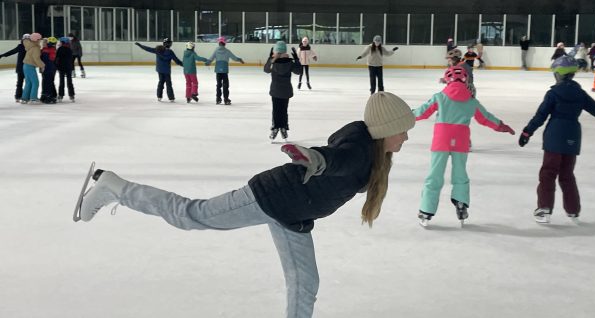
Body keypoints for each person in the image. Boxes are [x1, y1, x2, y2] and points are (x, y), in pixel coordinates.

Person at [73, 92, 416, 318]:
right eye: (403, 130)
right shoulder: (357, 151)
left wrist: (319, 161)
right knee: (191, 214)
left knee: (305, 282)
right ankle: (115, 187)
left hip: (293, 214)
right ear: (386, 129)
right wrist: (315, 159)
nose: (406, 136)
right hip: (272, 198)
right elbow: (334, 158)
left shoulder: (371, 151)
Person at [518, 56, 595, 223]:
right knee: (567, 174)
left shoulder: (553, 93)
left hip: (554, 137)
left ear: (559, 74)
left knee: (548, 173)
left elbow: (540, 116)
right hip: (573, 137)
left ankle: (544, 209)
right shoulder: (580, 94)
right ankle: (573, 210)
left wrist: (527, 132)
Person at [413, 66, 515, 227]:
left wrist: (403, 117)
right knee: (460, 174)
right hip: (460, 141)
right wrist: (501, 126)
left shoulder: (440, 97)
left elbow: (421, 113)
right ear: (465, 80)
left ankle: (426, 210)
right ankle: (461, 204)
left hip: (441, 140)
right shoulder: (471, 100)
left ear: (447, 80)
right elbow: (485, 118)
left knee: (435, 174)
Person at [264, 41, 302, 141]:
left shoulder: (274, 62)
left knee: (276, 109)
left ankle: (275, 127)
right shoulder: (289, 62)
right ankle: (283, 127)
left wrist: (271, 58)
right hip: (286, 91)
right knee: (284, 110)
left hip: (276, 90)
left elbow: (266, 70)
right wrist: (297, 60)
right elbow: (299, 71)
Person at [205, 36, 245, 105]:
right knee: (225, 85)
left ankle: (218, 99)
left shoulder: (216, 50)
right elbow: (234, 58)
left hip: (218, 70)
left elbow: (211, 58)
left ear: (219, 43)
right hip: (224, 70)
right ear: (225, 43)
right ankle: (226, 99)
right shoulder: (227, 51)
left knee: (218, 85)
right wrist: (240, 59)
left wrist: (208, 62)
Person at [0, 34, 29, 102]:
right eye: (25, 39)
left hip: (29, 67)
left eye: (28, 39)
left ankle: (26, 96)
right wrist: (3, 55)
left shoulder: (31, 47)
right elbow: (12, 51)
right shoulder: (21, 46)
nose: (26, 41)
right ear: (23, 40)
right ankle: (18, 96)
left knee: (28, 82)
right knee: (20, 82)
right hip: (21, 67)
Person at [20, 33, 45, 104]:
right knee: (35, 82)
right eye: (40, 39)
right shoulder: (36, 48)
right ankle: (33, 98)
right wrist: (42, 65)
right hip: (30, 66)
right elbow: (36, 58)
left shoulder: (31, 46)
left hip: (26, 65)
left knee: (29, 82)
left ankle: (24, 98)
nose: (40, 41)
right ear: (36, 40)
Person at [55, 36, 75, 102]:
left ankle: (60, 95)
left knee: (62, 82)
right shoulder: (69, 49)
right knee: (69, 81)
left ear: (63, 42)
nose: (59, 43)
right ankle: (71, 95)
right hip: (68, 67)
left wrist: (56, 66)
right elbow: (71, 59)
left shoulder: (60, 49)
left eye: (60, 42)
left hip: (61, 68)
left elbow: (57, 59)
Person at [39, 36, 58, 104]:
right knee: (47, 82)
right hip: (48, 68)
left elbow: (49, 60)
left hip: (48, 69)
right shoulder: (47, 50)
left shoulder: (48, 50)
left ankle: (48, 96)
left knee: (47, 82)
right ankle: (48, 95)